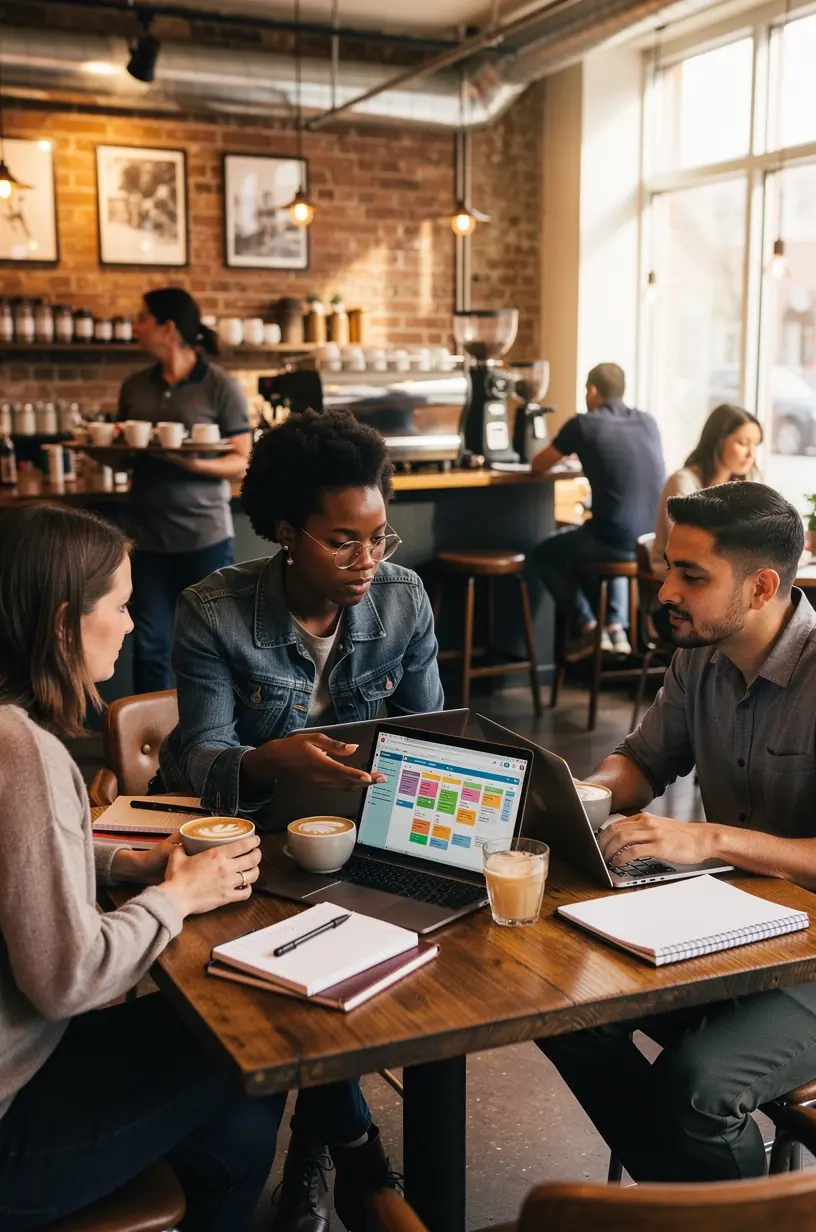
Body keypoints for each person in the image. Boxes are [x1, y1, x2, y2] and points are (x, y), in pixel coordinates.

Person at [0, 503, 400, 1232]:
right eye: (119, 607)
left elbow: (21, 854)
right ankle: (354, 1158)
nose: (129, 626)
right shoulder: (23, 753)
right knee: (258, 1038)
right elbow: (70, 978)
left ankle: (308, 1159)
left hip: (24, 1069)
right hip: (12, 1126)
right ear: (62, 624)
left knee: (242, 1125)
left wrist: (129, 862)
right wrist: (179, 896)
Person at [537, 481, 816, 1185]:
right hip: (736, 926)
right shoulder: (701, 650)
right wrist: (582, 797)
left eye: (692, 576)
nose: (665, 590)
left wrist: (710, 840)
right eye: (669, 565)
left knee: (699, 1087)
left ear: (760, 588)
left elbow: (711, 841)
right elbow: (642, 760)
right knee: (567, 1010)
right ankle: (696, 1202)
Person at [158, 407, 444, 814]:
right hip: (233, 816)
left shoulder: (404, 598)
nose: (367, 561)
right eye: (343, 543)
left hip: (342, 812)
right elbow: (203, 761)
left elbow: (429, 738)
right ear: (288, 535)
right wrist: (274, 759)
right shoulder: (214, 611)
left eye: (378, 539)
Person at [117, 287, 253, 694]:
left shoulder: (219, 385)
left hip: (203, 538)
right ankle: (148, 750)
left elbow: (242, 459)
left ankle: (211, 738)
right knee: (149, 647)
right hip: (146, 540)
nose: (136, 326)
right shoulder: (135, 386)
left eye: (142, 318)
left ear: (167, 327)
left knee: (210, 646)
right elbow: (125, 454)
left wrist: (195, 465)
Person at [531, 362, 665, 655]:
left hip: (614, 541)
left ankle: (588, 626)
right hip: (651, 542)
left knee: (544, 555)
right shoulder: (648, 421)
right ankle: (616, 630)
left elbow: (537, 465)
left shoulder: (583, 424)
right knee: (612, 530)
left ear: (592, 390)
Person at [651, 403, 762, 573]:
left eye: (755, 444)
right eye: (743, 443)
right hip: (678, 574)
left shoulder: (746, 483)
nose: (751, 454)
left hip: (719, 573)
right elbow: (687, 546)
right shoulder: (683, 482)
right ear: (718, 441)